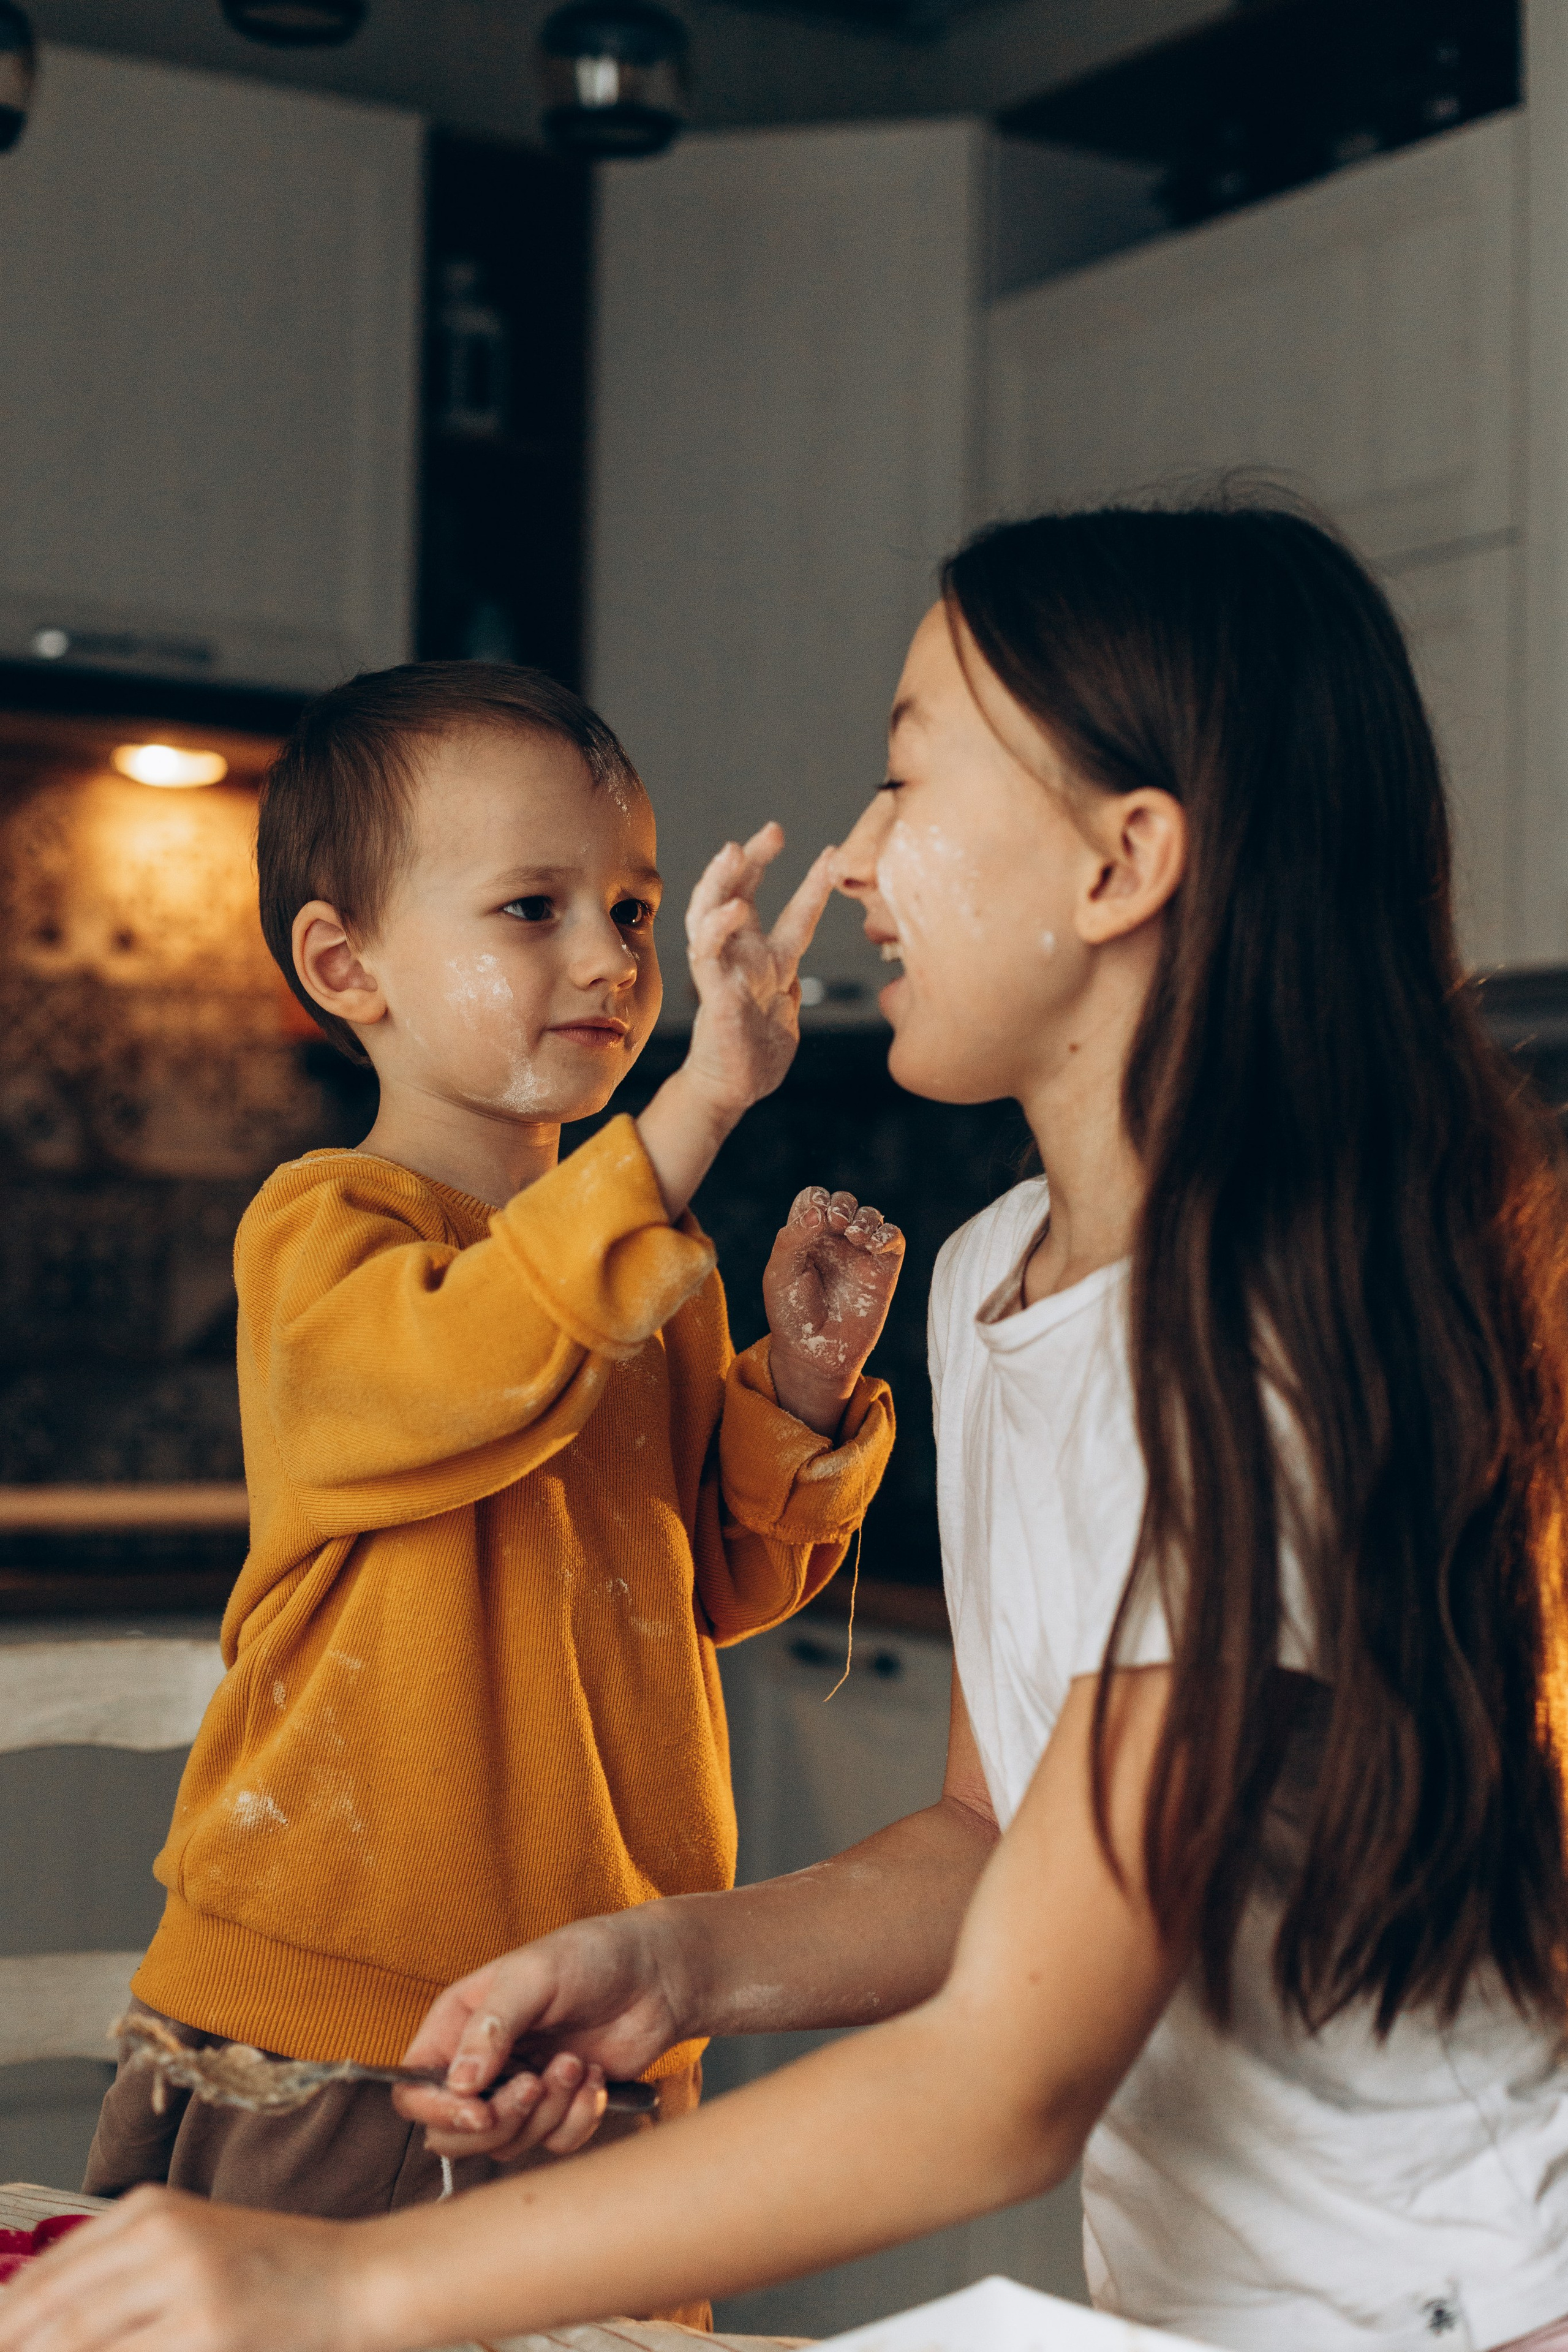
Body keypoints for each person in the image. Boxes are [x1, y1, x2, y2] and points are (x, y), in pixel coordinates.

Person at [12, 503, 1568, 2352]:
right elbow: (999, 1842)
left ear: (1124, 862)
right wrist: (668, 1957)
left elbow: (1002, 2078)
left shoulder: (1259, 1351)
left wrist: (344, 2280)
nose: (855, 852)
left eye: (908, 779)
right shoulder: (1002, 1277)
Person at [75, 662, 900, 2301]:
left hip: (590, 2028)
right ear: (344, 964)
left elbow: (704, 1586)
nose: (608, 957)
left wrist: (794, 1393)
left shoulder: (639, 1264)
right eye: (534, 908)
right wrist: (692, 1120)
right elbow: (465, 1374)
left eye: (631, 906)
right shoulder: (325, 1232)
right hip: (341, 2045)